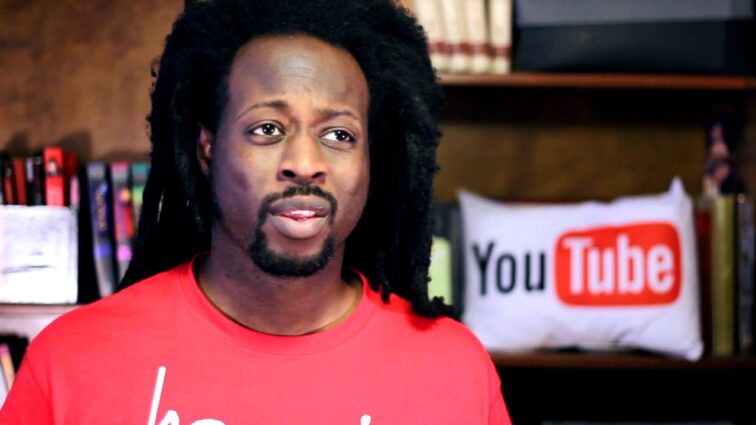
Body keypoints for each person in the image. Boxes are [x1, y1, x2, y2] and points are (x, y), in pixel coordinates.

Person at [0, 0, 511, 423]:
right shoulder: (72, 359)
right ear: (207, 149)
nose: (305, 163)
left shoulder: (453, 369)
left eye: (339, 134)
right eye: (267, 129)